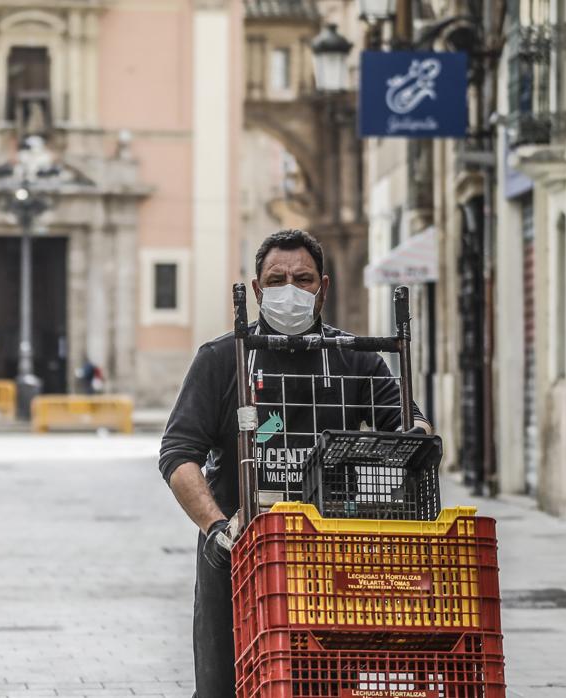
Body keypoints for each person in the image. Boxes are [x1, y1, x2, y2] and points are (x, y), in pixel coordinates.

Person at [158, 229, 431, 697]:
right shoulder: (222, 359)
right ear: (258, 289)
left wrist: (408, 448)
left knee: (324, 683)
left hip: (331, 558)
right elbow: (178, 454)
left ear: (323, 287)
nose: (290, 290)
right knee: (227, 684)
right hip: (237, 557)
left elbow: (412, 428)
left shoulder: (356, 359)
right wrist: (219, 528)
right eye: (277, 279)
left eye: (302, 279)